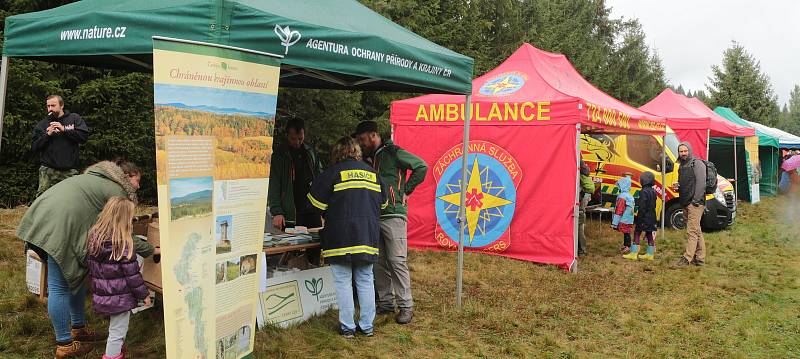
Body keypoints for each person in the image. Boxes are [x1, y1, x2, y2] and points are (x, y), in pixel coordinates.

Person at [15, 159, 156, 358]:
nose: (138, 186)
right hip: (60, 227)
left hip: (45, 216)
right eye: (136, 180)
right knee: (59, 286)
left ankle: (78, 328)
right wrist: (151, 249)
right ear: (125, 177)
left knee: (77, 280)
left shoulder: (96, 178)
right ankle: (64, 344)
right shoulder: (117, 191)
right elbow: (122, 236)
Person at [307, 137, 386, 338]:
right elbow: (384, 204)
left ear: (337, 153)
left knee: (343, 281)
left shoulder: (332, 173)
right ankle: (367, 327)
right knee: (366, 279)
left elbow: (315, 204)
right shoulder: (373, 174)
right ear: (357, 152)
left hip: (340, 237)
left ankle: (348, 327)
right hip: (367, 236)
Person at [353, 120, 427, 325]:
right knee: (378, 261)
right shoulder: (367, 158)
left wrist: (407, 190)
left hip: (394, 214)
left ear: (373, 135)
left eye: (362, 139)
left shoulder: (393, 152)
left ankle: (406, 306)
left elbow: (421, 166)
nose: (360, 143)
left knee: (396, 260)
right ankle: (386, 303)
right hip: (373, 215)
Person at [87, 197, 152, 359]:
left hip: (103, 293)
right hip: (119, 297)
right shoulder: (123, 243)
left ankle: (118, 351)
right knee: (117, 331)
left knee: (115, 327)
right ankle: (112, 355)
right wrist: (144, 295)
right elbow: (133, 276)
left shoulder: (95, 237)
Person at [268, 118, 324, 231]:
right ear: (287, 135)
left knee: (315, 246)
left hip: (312, 209)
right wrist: (277, 211)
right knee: (293, 247)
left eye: (300, 138)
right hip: (291, 213)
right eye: (293, 139)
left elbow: (321, 178)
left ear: (304, 134)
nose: (297, 142)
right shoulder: (279, 155)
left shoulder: (310, 152)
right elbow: (274, 185)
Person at [31, 95, 90, 197]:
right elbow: (34, 147)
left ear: (61, 105)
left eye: (53, 105)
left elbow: (83, 137)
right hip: (48, 170)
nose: (50, 109)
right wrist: (47, 135)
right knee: (43, 199)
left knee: (71, 198)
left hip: (70, 170)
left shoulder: (74, 118)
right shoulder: (43, 124)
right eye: (48, 106)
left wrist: (64, 130)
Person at [674, 142, 706, 267]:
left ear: (690, 150)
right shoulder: (681, 165)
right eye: (681, 151)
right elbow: (687, 183)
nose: (683, 153)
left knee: (691, 231)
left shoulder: (697, 163)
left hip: (695, 203)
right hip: (685, 202)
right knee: (696, 230)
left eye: (685, 151)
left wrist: (695, 201)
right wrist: (678, 187)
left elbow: (701, 184)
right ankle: (700, 258)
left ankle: (687, 258)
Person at [624, 171, 658, 261]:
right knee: (649, 233)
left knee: (637, 232)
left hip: (644, 216)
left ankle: (634, 253)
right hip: (652, 216)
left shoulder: (643, 191)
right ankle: (650, 254)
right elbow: (654, 205)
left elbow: (642, 206)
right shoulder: (653, 192)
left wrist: (639, 218)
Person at [611, 176, 635, 254]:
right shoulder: (630, 196)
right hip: (630, 218)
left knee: (626, 233)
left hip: (624, 218)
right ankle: (626, 245)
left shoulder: (622, 196)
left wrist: (615, 223)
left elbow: (619, 210)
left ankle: (627, 246)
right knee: (627, 232)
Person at [577, 160, 595, 256]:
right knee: (580, 224)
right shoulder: (584, 170)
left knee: (579, 225)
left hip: (580, 199)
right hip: (583, 198)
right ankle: (581, 249)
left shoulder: (577, 171)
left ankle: (582, 250)